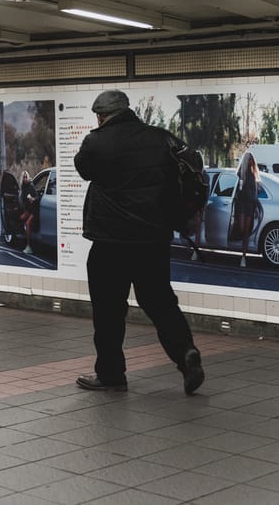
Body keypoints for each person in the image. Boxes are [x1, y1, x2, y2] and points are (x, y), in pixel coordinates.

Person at [73, 89, 204, 394]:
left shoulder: (96, 141)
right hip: (152, 241)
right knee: (160, 302)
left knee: (108, 310)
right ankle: (186, 354)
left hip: (110, 243)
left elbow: (83, 169)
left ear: (101, 116)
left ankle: (111, 374)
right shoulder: (160, 138)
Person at [237, 151, 260, 268]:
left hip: (250, 205)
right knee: (241, 229)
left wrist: (255, 207)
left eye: (252, 159)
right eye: (249, 159)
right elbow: (237, 189)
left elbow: (255, 193)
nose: (251, 161)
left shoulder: (253, 175)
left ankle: (243, 257)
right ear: (246, 160)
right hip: (241, 204)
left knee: (246, 232)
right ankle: (240, 250)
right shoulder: (240, 173)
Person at [19, 171, 37, 254]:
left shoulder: (31, 186)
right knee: (20, 218)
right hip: (29, 210)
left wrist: (32, 199)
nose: (25, 179)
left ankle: (29, 246)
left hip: (34, 209)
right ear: (22, 178)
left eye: (26, 177)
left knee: (27, 223)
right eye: (24, 177)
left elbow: (37, 198)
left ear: (28, 177)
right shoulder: (23, 187)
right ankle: (26, 237)